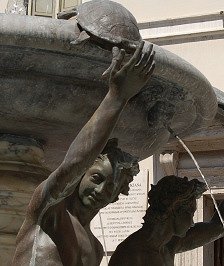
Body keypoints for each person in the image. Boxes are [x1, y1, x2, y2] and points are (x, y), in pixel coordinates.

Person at [12, 41, 155, 266]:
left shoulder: (96, 249)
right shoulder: (51, 210)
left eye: (110, 187)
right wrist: (117, 97)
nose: (100, 190)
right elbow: (73, 163)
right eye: (96, 178)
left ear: (117, 195)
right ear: (81, 174)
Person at [109, 138, 224, 266]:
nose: (192, 221)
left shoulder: (169, 244)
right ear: (174, 209)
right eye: (190, 212)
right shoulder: (131, 255)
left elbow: (219, 228)